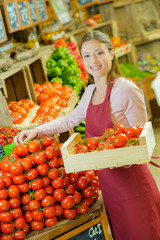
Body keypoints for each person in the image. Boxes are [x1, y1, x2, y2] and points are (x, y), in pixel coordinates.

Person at [14, 30, 160, 240]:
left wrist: (120, 157)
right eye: (87, 55)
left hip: (132, 182)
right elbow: (69, 120)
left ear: (111, 54)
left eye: (99, 53)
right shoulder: (90, 92)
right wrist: (37, 130)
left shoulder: (126, 90)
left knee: (143, 232)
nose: (94, 61)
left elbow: (142, 135)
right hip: (108, 184)